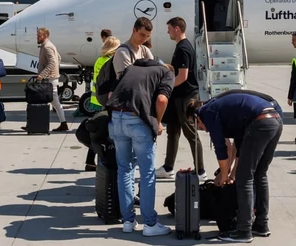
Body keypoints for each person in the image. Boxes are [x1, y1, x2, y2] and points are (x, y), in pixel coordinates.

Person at [192, 91, 283, 243]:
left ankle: (244, 230)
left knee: (245, 178)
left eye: (201, 127)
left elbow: (220, 149)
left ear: (197, 118)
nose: (205, 130)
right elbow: (238, 146)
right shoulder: (226, 111)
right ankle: (261, 224)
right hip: (275, 120)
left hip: (261, 122)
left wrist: (225, 175)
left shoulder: (207, 112)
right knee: (260, 174)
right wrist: (229, 174)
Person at [106, 57, 174, 237]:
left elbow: (111, 96)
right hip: (137, 121)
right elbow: (161, 100)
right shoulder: (167, 73)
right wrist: (157, 123)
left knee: (124, 170)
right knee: (147, 173)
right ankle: (150, 224)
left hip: (116, 119)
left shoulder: (131, 68)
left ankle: (128, 221)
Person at [157, 17, 205, 180]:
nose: (168, 31)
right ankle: (168, 167)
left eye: (169, 28)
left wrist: (166, 88)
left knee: (191, 133)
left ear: (177, 29)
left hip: (186, 97)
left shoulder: (183, 48)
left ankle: (201, 171)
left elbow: (182, 76)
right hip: (178, 97)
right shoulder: (180, 47)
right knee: (173, 131)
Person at [85, 35, 120, 170]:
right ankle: (97, 160)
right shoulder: (111, 62)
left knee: (97, 132)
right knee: (103, 134)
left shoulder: (99, 60)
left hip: (96, 99)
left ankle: (90, 160)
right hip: (105, 101)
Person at [31, 28, 68, 132]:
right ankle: (33, 123)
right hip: (51, 78)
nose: (37, 37)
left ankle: (34, 124)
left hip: (49, 80)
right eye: (37, 35)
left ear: (45, 36)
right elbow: (58, 58)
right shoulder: (48, 46)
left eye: (39, 35)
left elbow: (52, 62)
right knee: (52, 102)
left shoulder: (47, 47)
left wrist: (42, 75)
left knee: (45, 101)